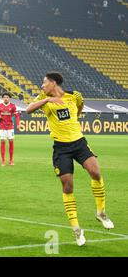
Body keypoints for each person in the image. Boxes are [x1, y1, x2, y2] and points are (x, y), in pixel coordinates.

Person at [26, 72, 114, 247]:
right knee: (68, 186)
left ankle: (101, 212)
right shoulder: (43, 97)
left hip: (79, 143)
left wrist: (74, 118)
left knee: (95, 171)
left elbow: (80, 106)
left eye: (44, 82)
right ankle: (76, 229)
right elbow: (28, 109)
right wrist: (46, 101)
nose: (41, 85)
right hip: (61, 148)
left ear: (53, 83)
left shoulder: (74, 96)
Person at [0, 93, 20, 166]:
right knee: (2, 141)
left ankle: (11, 160)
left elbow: (17, 116)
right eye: (4, 97)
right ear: (2, 98)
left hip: (10, 126)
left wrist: (18, 124)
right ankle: (3, 161)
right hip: (2, 126)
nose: (6, 98)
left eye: (7, 97)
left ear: (9, 98)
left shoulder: (13, 106)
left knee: (11, 141)